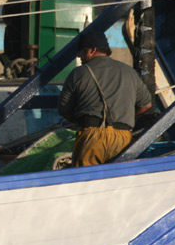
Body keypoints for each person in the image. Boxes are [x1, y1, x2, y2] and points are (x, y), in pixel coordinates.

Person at [58, 31, 153, 167]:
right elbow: (146, 105)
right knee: (120, 181)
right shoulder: (129, 72)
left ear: (92, 50)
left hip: (93, 136)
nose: (80, 58)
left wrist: (81, 120)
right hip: (124, 138)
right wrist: (127, 116)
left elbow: (64, 109)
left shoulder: (79, 73)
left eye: (82, 53)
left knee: (86, 182)